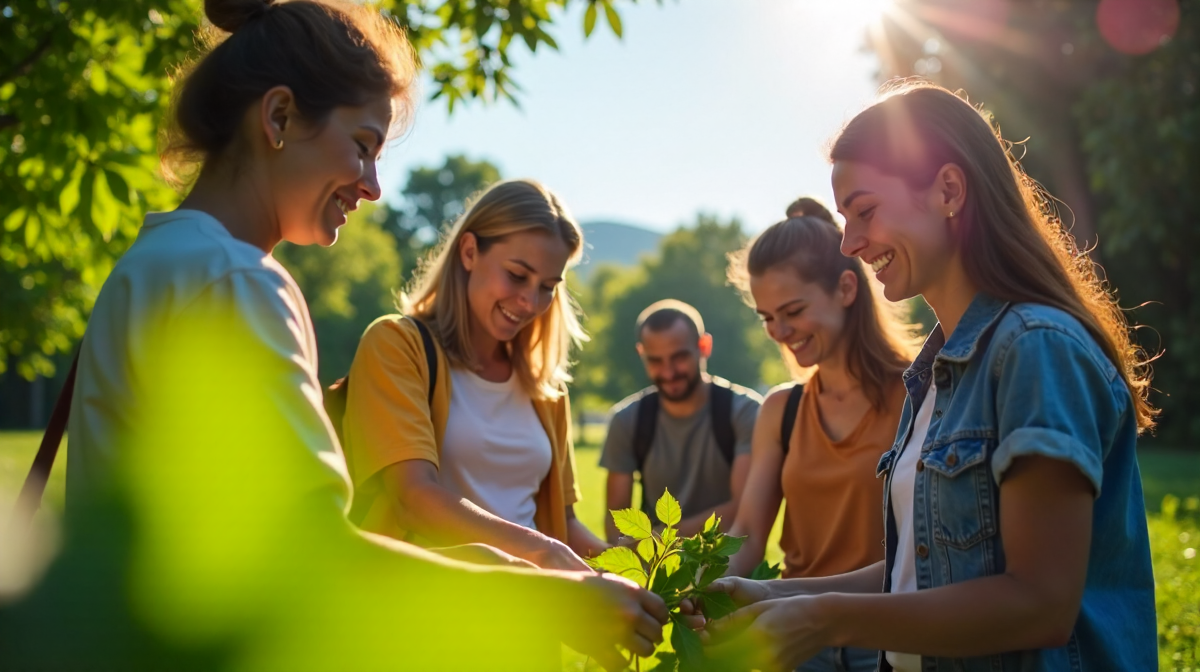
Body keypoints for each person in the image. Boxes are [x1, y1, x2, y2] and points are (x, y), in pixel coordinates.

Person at [25, 2, 666, 669]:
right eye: (362, 147)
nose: (374, 187)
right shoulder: (236, 281)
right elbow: (316, 556)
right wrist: (547, 600)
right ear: (278, 118)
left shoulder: (155, 261)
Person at [704, 81, 1157, 672]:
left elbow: (1039, 604)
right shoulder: (937, 373)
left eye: (864, 212)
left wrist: (824, 618)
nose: (851, 242)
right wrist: (777, 595)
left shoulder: (1035, 349)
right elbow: (921, 567)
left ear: (948, 189)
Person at [340, 178, 609, 572]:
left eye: (548, 287)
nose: (530, 302)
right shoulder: (397, 345)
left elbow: (564, 528)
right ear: (469, 252)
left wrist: (648, 575)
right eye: (518, 276)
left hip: (531, 623)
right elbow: (414, 500)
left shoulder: (546, 389)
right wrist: (541, 551)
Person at [721, 197, 916, 672]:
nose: (779, 331)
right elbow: (746, 536)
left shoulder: (919, 392)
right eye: (767, 317)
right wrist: (688, 590)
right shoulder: (781, 411)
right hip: (796, 643)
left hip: (888, 641)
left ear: (847, 288)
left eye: (792, 310)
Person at [599, 300, 761, 542]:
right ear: (641, 353)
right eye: (655, 360)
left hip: (729, 570)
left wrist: (661, 540)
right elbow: (616, 522)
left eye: (679, 357)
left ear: (704, 346)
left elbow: (743, 510)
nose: (668, 372)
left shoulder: (745, 412)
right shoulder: (627, 420)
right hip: (657, 573)